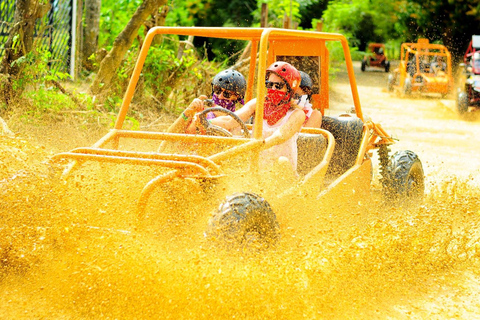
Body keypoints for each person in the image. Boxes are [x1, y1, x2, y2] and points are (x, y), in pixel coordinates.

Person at [205, 61, 306, 173]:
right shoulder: (257, 104)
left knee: (281, 162)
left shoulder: (297, 114)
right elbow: (230, 120)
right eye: (269, 84)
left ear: (289, 89)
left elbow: (280, 135)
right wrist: (204, 122)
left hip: (282, 172)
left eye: (278, 86)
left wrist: (259, 144)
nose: (273, 89)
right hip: (254, 169)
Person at [164, 69, 246, 134]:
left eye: (226, 94)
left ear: (237, 98)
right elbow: (169, 136)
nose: (220, 96)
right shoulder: (202, 109)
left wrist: (217, 109)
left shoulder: (238, 120)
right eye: (217, 90)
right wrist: (188, 111)